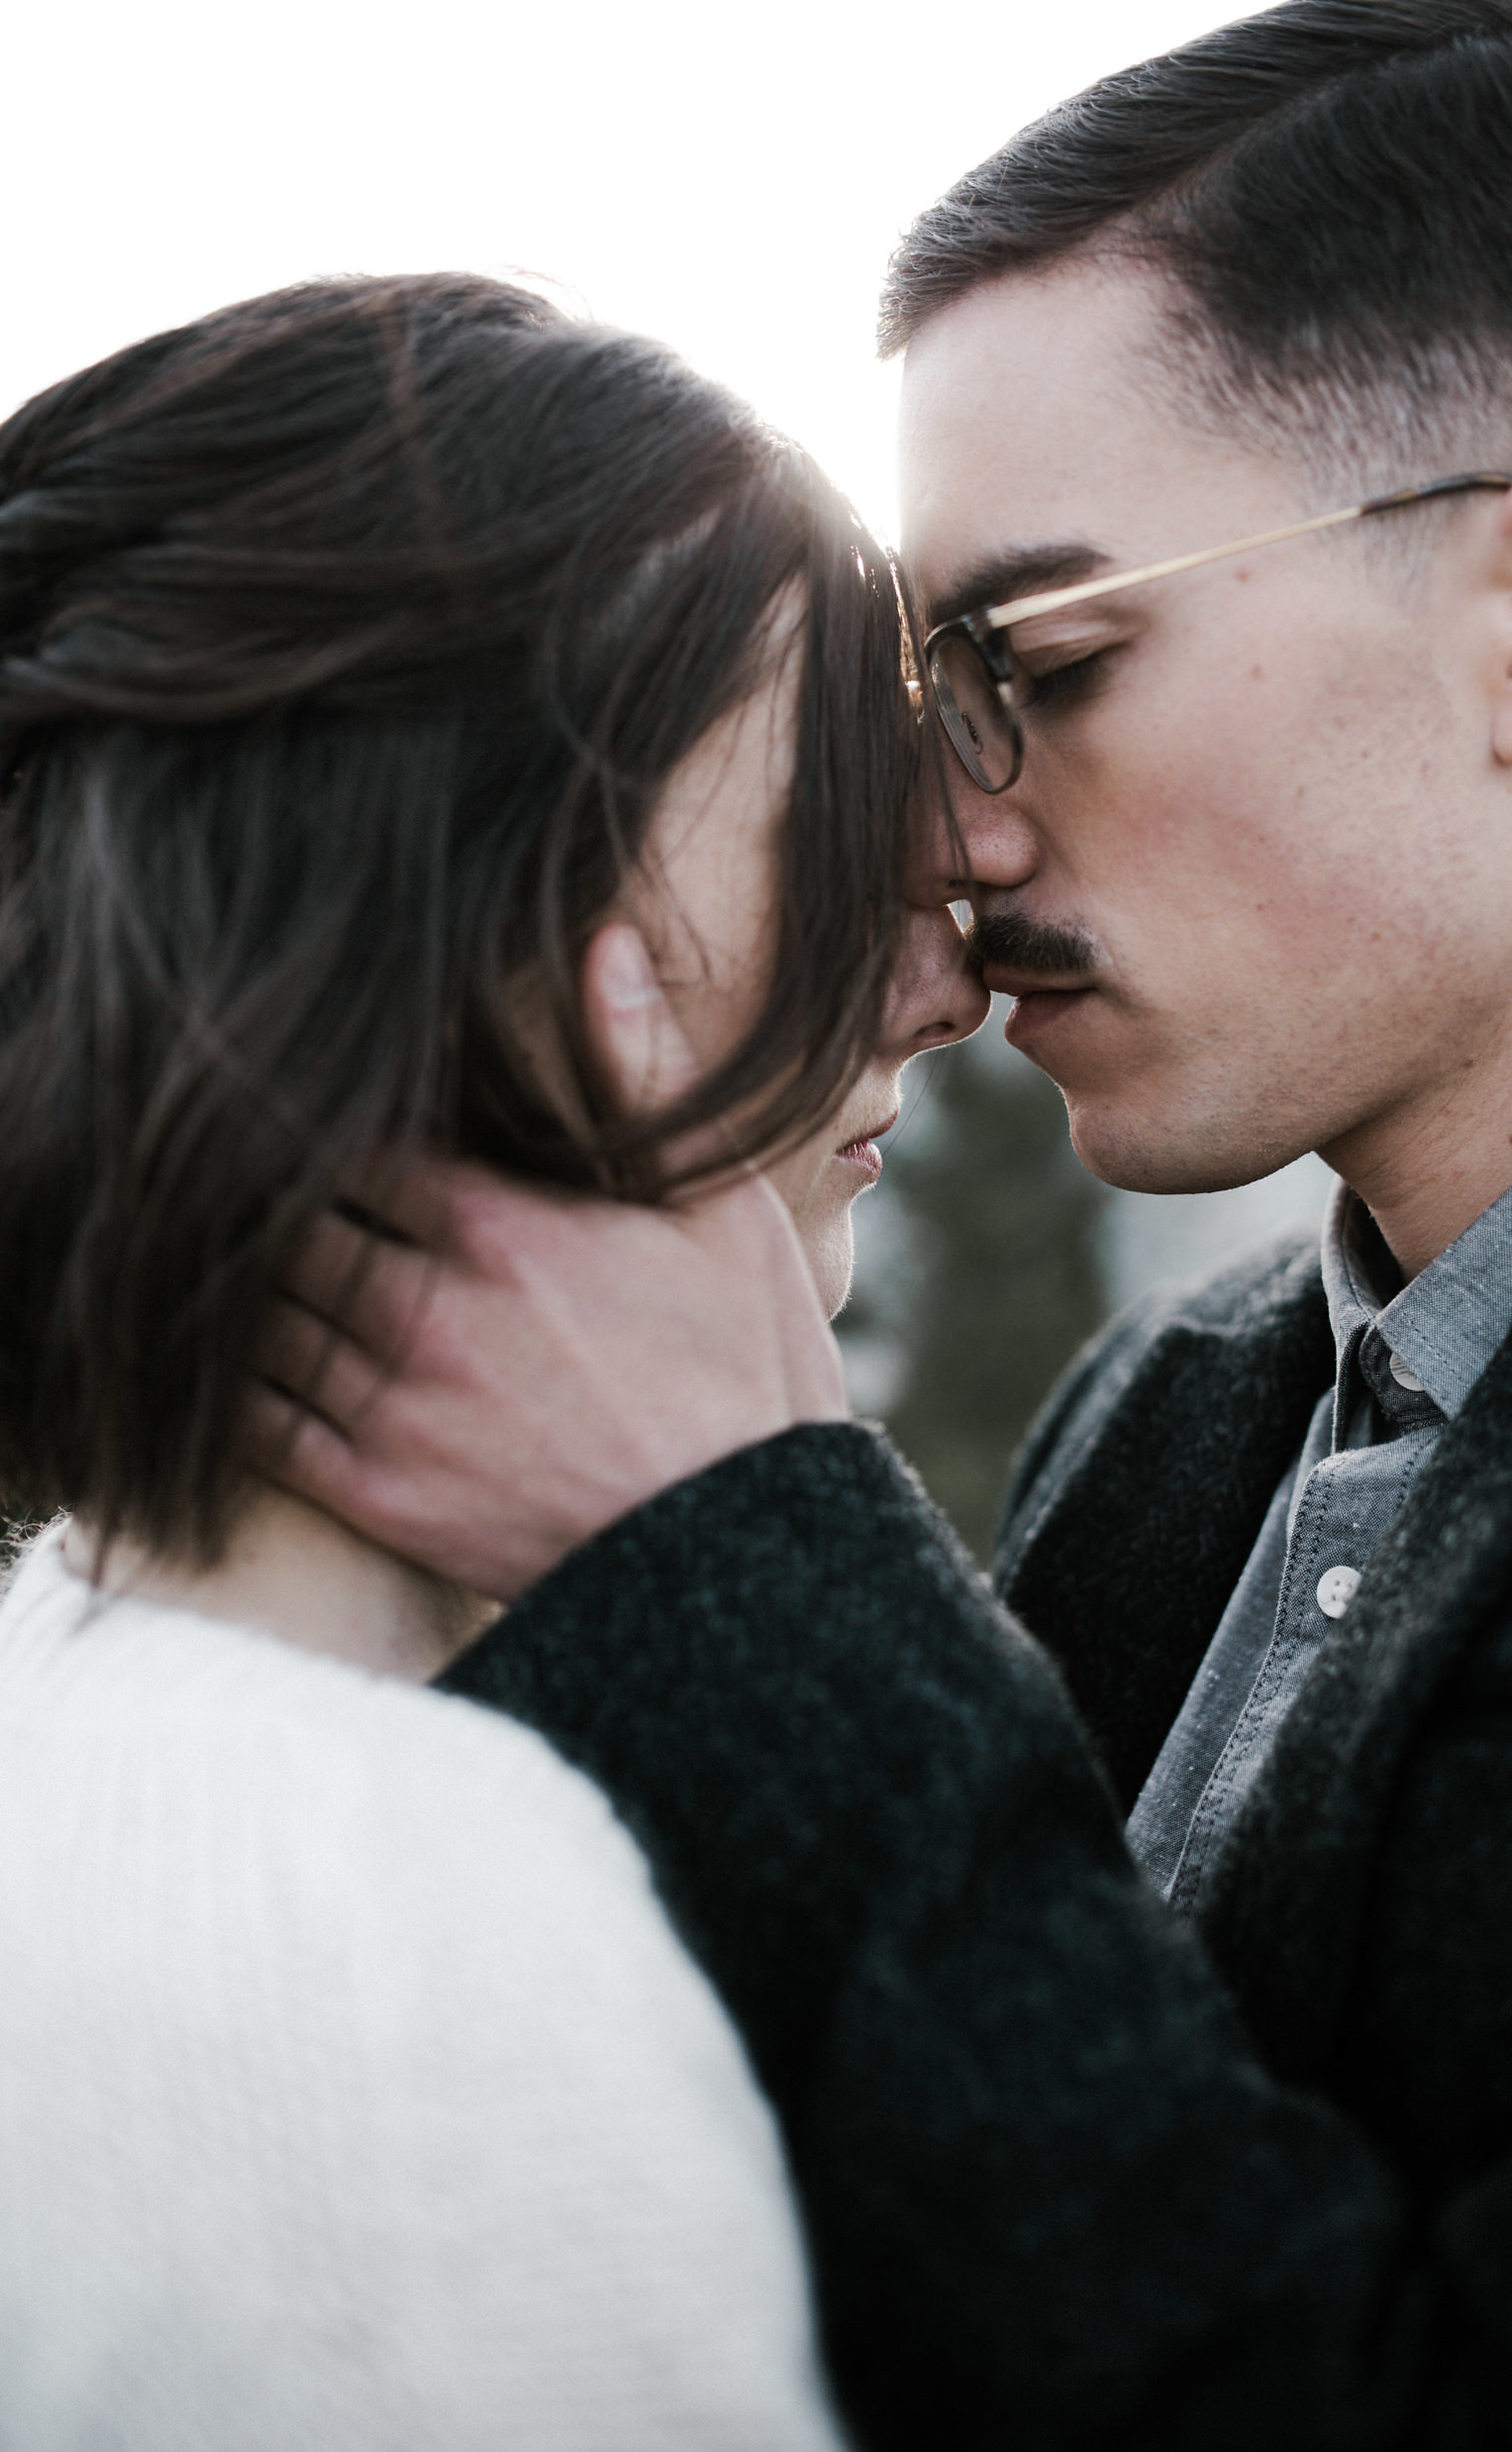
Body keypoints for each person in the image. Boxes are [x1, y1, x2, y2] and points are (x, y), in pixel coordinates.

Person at [260, 0, 1512, 2447]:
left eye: (1041, 661)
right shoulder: (1168, 1409)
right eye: (927, 690)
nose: (952, 830)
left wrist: (736, 1554)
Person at [0, 269, 986, 2446]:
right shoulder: (402, 1959)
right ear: (477, 950)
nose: (943, 975)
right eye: (830, 838)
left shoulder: (79, 1684)